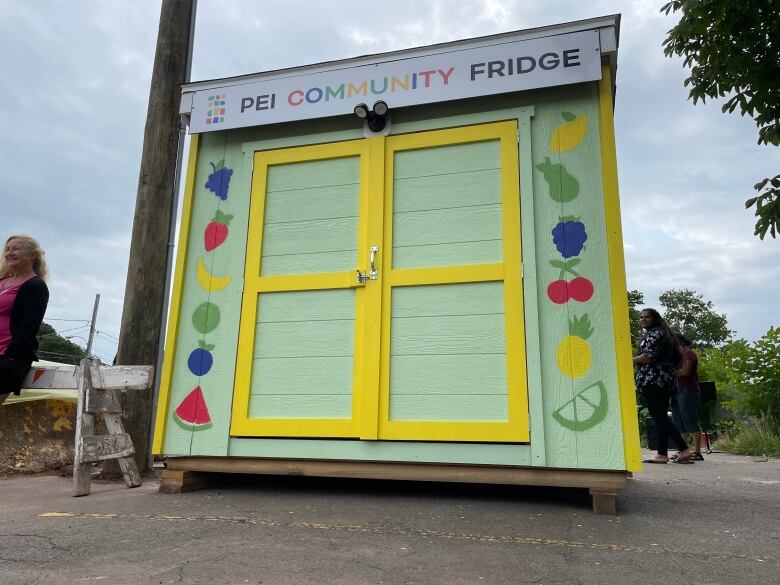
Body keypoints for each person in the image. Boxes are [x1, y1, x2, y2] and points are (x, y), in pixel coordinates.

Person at [633, 308, 694, 464]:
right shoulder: (663, 334)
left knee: (659, 416)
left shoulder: (655, 335)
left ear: (655, 318)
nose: (643, 320)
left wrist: (628, 359)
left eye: (647, 317)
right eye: (641, 317)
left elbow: (648, 357)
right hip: (662, 380)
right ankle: (663, 453)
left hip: (654, 380)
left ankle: (682, 449)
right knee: (659, 416)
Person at [0, 235, 49, 406]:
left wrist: (10, 358)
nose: (9, 252)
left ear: (32, 255)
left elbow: (30, 326)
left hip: (6, 357)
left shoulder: (35, 286)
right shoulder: (2, 281)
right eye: (7, 249)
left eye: (16, 248)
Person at [672, 332, 704, 460]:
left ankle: (696, 451)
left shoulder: (688, 353)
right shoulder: (677, 356)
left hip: (687, 390)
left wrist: (669, 372)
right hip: (676, 391)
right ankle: (683, 450)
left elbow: (686, 371)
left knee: (690, 420)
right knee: (679, 423)